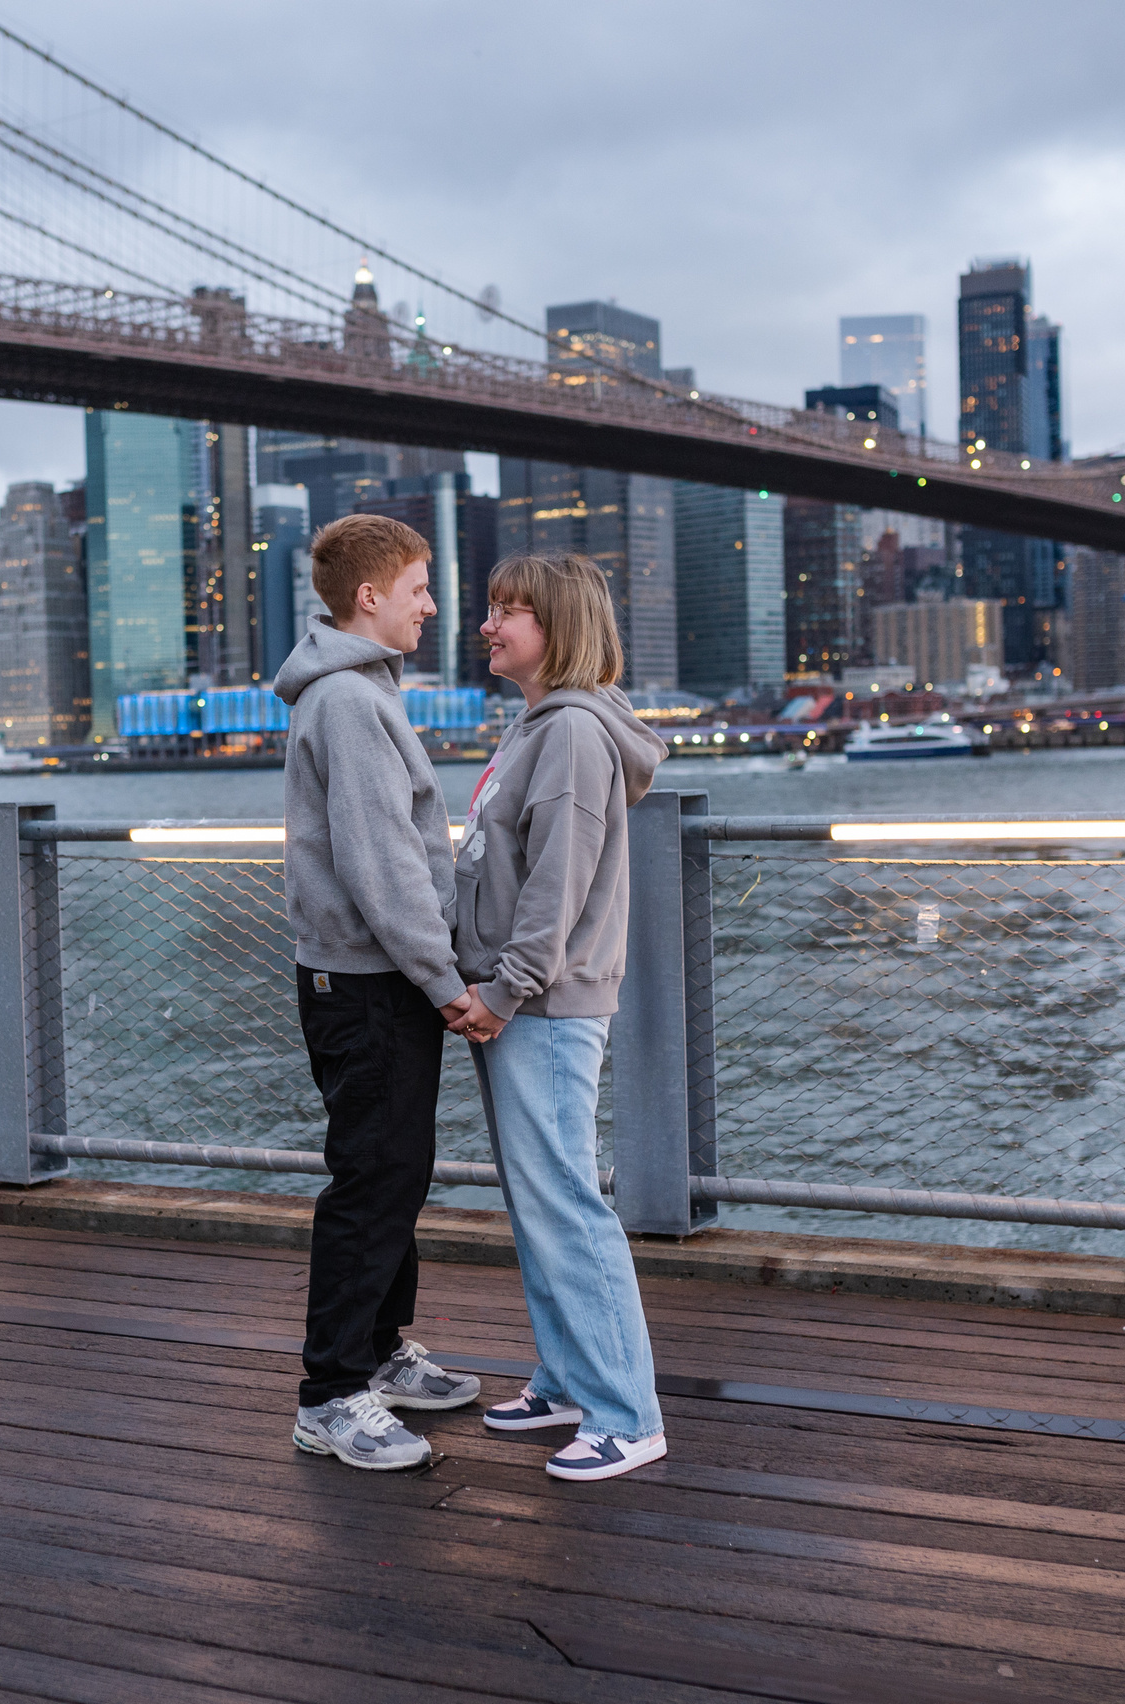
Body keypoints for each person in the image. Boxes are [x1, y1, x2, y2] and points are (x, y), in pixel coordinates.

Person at [449, 552, 669, 1482]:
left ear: (560, 628)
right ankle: (569, 1378)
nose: (490, 625)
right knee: (538, 1201)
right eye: (492, 608)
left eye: (511, 612)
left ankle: (626, 1411)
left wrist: (501, 992)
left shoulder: (573, 733)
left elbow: (558, 888)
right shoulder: (535, 726)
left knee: (568, 1202)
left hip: (540, 1003)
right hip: (519, 1000)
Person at [273, 512, 484, 1470]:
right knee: (372, 1181)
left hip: (367, 976)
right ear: (371, 596)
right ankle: (330, 1394)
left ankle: (381, 1356)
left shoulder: (355, 692)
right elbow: (383, 861)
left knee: (393, 1171)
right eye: (419, 588)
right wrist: (443, 980)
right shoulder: (352, 704)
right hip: (371, 983)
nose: (432, 606)